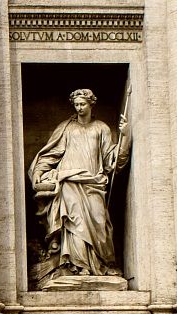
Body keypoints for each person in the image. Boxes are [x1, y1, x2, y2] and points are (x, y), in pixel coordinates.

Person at [29, 88, 130, 286]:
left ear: (91, 104)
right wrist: (39, 172)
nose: (79, 108)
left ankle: (101, 264)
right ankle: (77, 266)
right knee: (74, 223)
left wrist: (125, 137)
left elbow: (113, 161)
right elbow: (51, 154)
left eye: (82, 104)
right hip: (69, 181)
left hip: (93, 182)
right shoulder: (66, 128)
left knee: (99, 222)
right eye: (76, 105)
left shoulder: (101, 128)